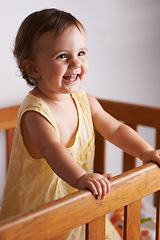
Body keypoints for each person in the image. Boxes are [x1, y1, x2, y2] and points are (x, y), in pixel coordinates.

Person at [0, 8, 160, 239]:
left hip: (80, 204)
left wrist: (145, 152)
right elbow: (51, 148)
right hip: (40, 214)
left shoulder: (86, 101)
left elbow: (115, 129)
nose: (76, 62)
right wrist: (81, 178)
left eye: (81, 53)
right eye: (63, 56)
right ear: (33, 68)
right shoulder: (35, 114)